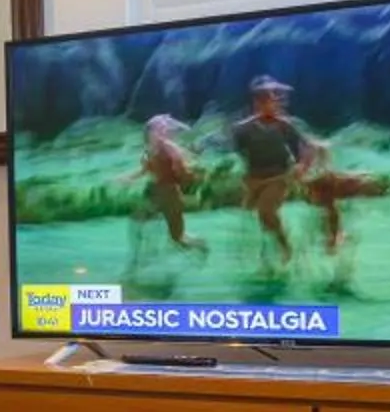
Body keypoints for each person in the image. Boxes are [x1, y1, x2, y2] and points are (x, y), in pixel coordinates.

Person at [229, 76, 317, 269]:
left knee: (266, 210)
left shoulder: (285, 126)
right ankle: (269, 256)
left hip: (279, 177)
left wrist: (302, 167)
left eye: (274, 100)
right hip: (255, 179)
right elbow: (236, 152)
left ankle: (286, 248)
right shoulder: (243, 129)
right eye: (266, 100)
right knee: (260, 219)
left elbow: (306, 149)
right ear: (257, 103)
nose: (272, 104)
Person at [117, 112, 208, 279]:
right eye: (153, 129)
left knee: (177, 238)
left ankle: (200, 245)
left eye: (160, 129)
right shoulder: (149, 150)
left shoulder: (170, 148)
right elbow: (145, 170)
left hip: (170, 195)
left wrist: (188, 174)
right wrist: (127, 178)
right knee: (136, 221)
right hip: (154, 192)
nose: (157, 132)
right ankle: (136, 261)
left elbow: (183, 170)